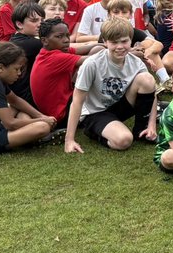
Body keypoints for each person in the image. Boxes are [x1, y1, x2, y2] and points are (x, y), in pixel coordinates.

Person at [63, 18, 157, 152]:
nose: (120, 47)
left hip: (119, 106)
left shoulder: (136, 62)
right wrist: (69, 139)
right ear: (105, 42)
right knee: (124, 140)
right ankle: (93, 131)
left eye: (124, 41)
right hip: (95, 112)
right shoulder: (92, 64)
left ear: (131, 40)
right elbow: (77, 101)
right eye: (114, 42)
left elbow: (152, 94)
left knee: (147, 79)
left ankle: (142, 130)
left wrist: (152, 125)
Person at [29, 18, 82, 124]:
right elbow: (91, 61)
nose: (66, 40)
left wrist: (103, 45)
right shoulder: (55, 58)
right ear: (44, 40)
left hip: (55, 110)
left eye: (67, 35)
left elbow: (83, 49)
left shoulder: (49, 51)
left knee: (95, 51)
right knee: (90, 68)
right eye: (59, 36)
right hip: (61, 115)